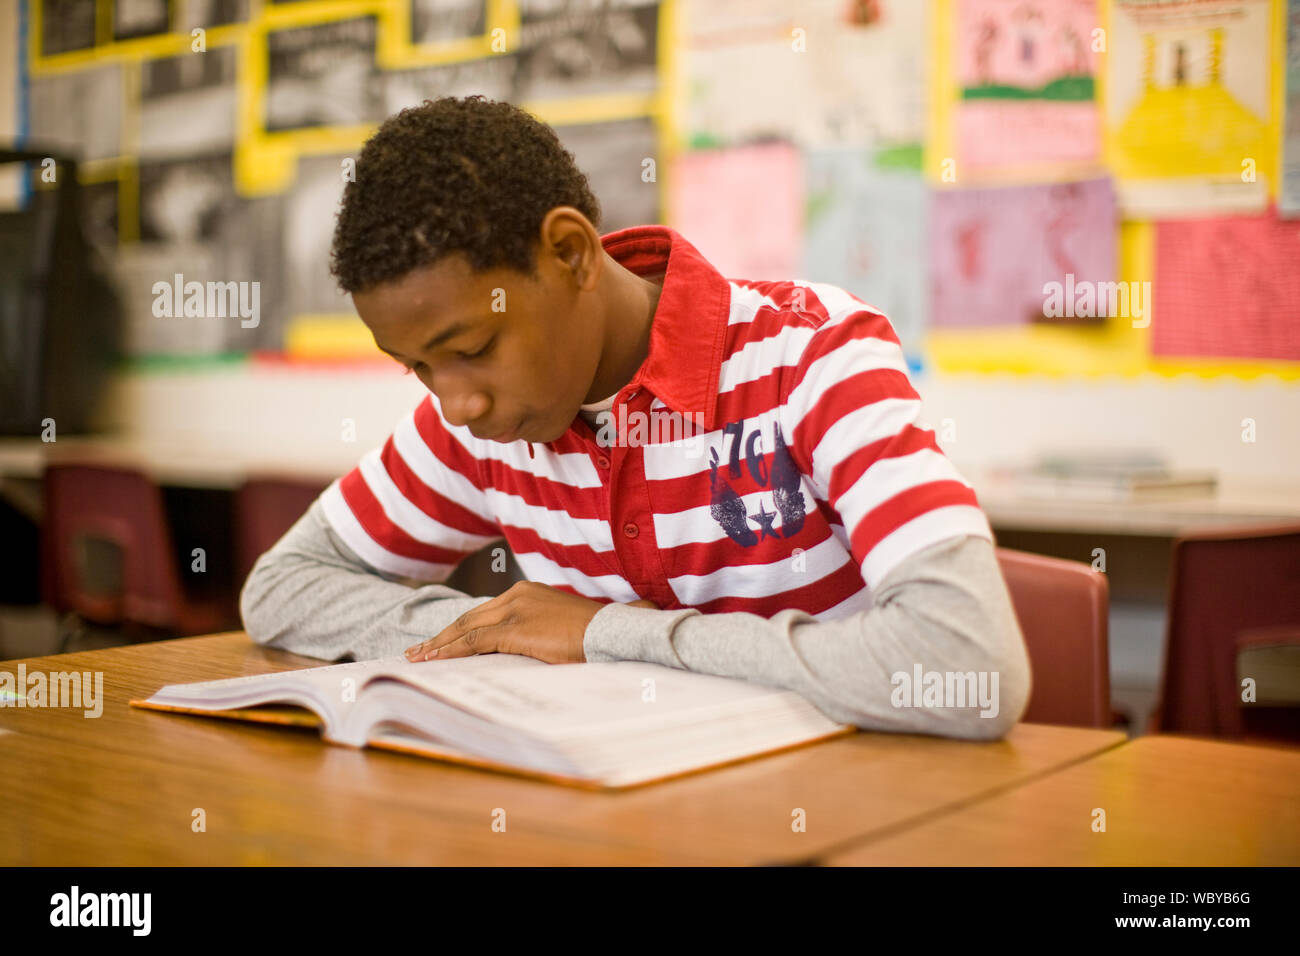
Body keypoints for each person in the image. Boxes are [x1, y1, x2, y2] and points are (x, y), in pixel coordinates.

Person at [240, 95, 1031, 739]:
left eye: (474, 346)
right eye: (416, 367)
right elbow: (280, 587)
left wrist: (603, 634)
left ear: (572, 254)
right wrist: (496, 627)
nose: (455, 403)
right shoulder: (479, 423)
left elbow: (971, 665)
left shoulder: (812, 356)